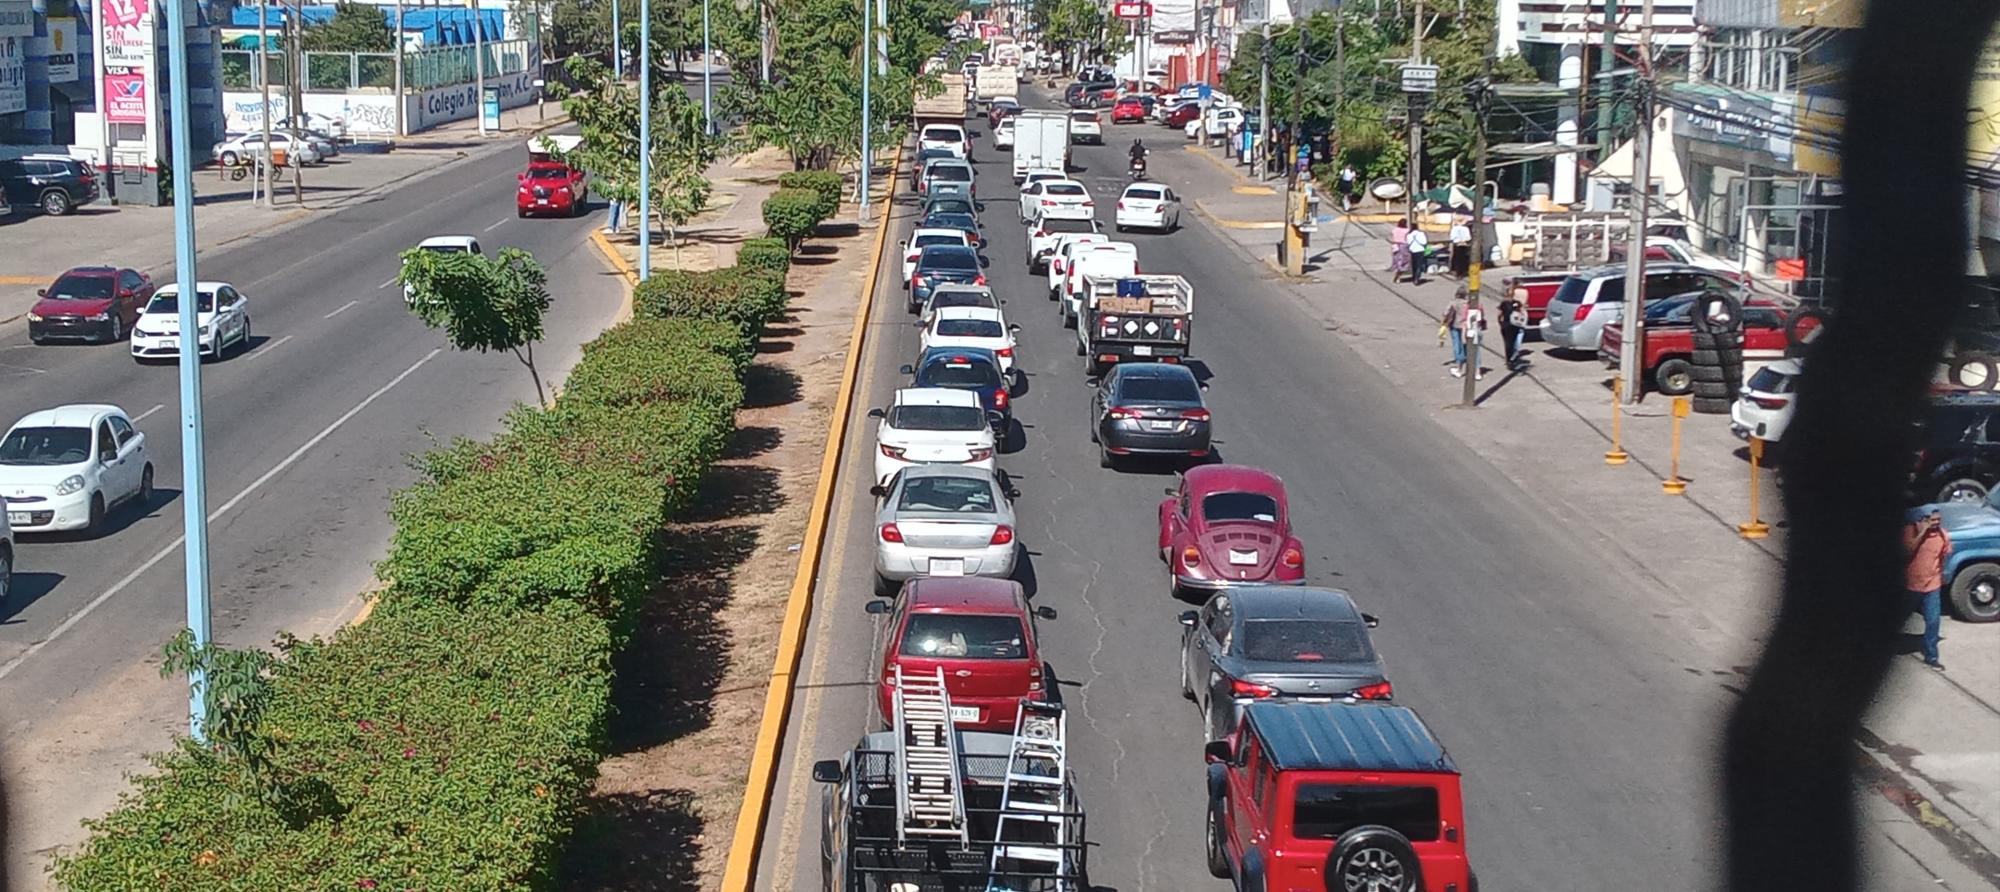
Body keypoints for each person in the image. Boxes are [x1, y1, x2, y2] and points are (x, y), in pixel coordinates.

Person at [1903, 510, 1951, 671]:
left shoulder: (1942, 535)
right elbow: (1907, 551)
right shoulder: (1910, 531)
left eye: (1939, 520)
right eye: (1933, 520)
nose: (1936, 523)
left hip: (1932, 585)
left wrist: (1941, 573)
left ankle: (1931, 656)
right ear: (1922, 520)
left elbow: (1943, 556)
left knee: (1933, 620)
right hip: (1911, 586)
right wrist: (1922, 532)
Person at [1439, 289, 1468, 376]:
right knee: (1464, 342)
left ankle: (1459, 361)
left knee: (1456, 343)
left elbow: (1446, 313)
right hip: (1465, 325)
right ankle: (1464, 357)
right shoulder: (1467, 303)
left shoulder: (1453, 302)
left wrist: (1443, 323)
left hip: (1455, 325)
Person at [1497, 291, 1528, 370]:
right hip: (1515, 326)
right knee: (1513, 343)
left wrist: (1500, 323)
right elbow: (1522, 313)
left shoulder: (1503, 304)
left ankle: (1509, 359)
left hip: (1506, 326)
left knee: (1507, 343)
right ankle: (1512, 358)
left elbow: (1499, 315)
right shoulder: (1517, 303)